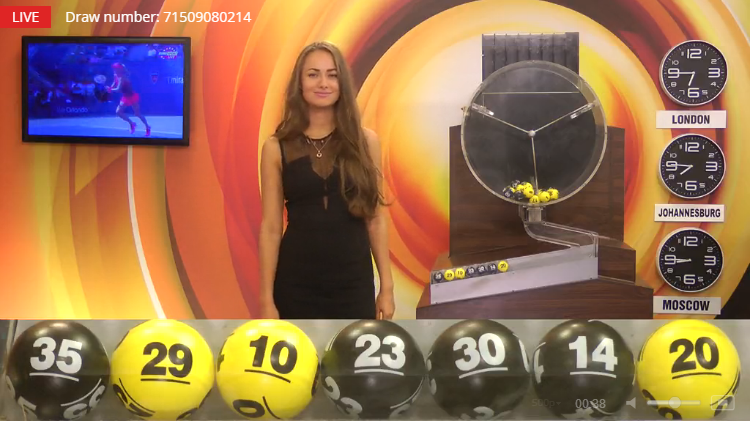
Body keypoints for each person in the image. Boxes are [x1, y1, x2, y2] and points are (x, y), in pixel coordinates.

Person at [258, 41, 395, 320]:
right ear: (299, 83)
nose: (323, 83)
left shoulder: (366, 142)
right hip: (295, 284)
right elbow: (271, 228)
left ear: (342, 83)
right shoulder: (276, 147)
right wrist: (266, 299)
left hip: (353, 283)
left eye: (332, 75)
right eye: (313, 74)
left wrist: (387, 288)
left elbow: (375, 219)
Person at [108, 62, 151, 136]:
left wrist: (110, 90)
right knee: (118, 112)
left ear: (119, 69)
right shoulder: (115, 75)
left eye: (116, 68)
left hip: (132, 96)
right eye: (114, 68)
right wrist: (110, 87)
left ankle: (147, 127)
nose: (114, 69)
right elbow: (114, 82)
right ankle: (132, 123)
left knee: (137, 114)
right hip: (125, 97)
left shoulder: (123, 77)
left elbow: (118, 89)